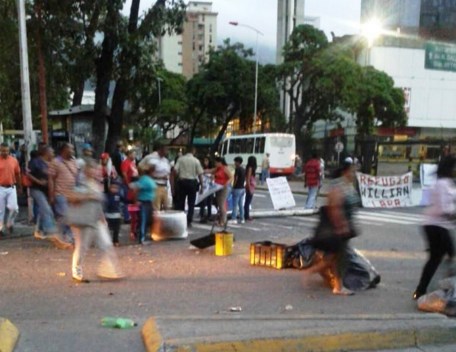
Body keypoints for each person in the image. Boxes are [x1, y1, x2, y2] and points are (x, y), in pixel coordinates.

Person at [307, 161, 360, 296]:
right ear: (345, 171)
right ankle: (335, 284)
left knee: (335, 257)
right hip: (339, 228)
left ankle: (334, 282)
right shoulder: (338, 186)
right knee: (337, 257)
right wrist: (341, 226)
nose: (354, 174)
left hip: (344, 227)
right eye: (352, 171)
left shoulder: (346, 185)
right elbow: (335, 208)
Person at [67, 160, 123, 283]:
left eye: (97, 169)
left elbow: (98, 202)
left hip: (95, 218)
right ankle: (77, 271)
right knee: (82, 247)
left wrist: (102, 217)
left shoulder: (96, 184)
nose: (96, 172)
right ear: (87, 170)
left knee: (106, 243)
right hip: (83, 219)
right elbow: (71, 197)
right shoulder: (79, 182)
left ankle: (109, 269)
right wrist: (88, 196)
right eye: (93, 169)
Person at [413, 156, 456, 300]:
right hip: (436, 225)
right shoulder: (443, 184)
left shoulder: (447, 183)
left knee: (438, 257)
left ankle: (424, 289)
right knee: (442, 256)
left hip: (438, 224)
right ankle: (427, 289)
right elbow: (444, 208)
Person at [48, 143, 78, 245]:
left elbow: (77, 176)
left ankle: (63, 235)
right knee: (64, 215)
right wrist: (51, 195)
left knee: (71, 216)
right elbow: (51, 179)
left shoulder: (74, 160)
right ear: (64, 150)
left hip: (72, 194)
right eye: (71, 149)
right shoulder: (55, 162)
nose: (73, 151)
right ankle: (64, 235)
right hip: (60, 193)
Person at [27, 146, 60, 241]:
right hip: (36, 189)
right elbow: (28, 174)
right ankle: (50, 231)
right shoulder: (35, 162)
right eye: (52, 152)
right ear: (46, 152)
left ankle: (38, 230)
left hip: (47, 190)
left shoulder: (52, 162)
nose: (53, 154)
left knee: (43, 210)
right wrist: (38, 181)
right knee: (46, 208)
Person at [173, 146, 204, 228]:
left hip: (182, 182)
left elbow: (175, 170)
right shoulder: (196, 161)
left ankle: (181, 219)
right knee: (191, 203)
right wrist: (202, 186)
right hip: (192, 183)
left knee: (181, 202)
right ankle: (189, 221)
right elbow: (200, 174)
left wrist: (177, 178)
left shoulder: (180, 159)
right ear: (193, 151)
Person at [138, 143, 171, 211]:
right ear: (160, 150)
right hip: (155, 185)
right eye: (166, 150)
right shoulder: (151, 158)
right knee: (156, 207)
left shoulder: (165, 160)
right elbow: (140, 167)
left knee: (166, 207)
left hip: (165, 186)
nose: (167, 152)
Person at [129, 165, 157, 244]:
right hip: (143, 202)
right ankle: (142, 238)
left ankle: (144, 236)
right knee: (143, 220)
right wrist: (136, 201)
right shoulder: (144, 179)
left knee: (148, 220)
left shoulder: (149, 179)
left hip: (148, 202)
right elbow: (136, 189)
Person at [0, 142, 22, 236]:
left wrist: (20, 187)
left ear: (9, 151)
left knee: (14, 208)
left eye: (7, 151)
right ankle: (0, 229)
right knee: (0, 211)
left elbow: (18, 174)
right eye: (3, 151)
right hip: (0, 188)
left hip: (12, 187)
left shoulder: (14, 160)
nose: (5, 152)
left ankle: (9, 223)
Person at [121, 149, 139, 237]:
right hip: (128, 184)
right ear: (129, 154)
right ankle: (127, 216)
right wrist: (128, 183)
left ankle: (131, 219)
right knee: (127, 201)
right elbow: (124, 173)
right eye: (133, 154)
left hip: (133, 184)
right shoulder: (126, 162)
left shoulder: (133, 163)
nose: (135, 156)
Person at [211, 157, 232, 226]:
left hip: (223, 188)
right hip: (217, 188)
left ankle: (223, 221)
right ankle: (221, 220)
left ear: (220, 162)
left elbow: (231, 177)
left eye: (216, 162)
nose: (215, 164)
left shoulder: (225, 168)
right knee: (219, 204)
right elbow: (210, 171)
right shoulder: (217, 169)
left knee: (222, 204)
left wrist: (226, 183)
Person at [105, 182, 122, 247]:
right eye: (113, 188)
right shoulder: (107, 196)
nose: (114, 189)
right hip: (109, 214)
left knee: (116, 229)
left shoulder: (118, 195)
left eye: (116, 188)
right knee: (108, 229)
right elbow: (106, 204)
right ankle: (108, 242)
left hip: (117, 214)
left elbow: (123, 200)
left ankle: (116, 241)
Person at [230, 156, 246, 224]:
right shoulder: (243, 169)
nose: (234, 163)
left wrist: (233, 186)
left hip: (237, 188)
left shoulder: (237, 169)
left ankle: (234, 218)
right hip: (242, 188)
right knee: (240, 204)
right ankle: (242, 218)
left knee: (235, 204)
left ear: (238, 162)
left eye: (235, 162)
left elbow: (235, 178)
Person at [199, 156, 214, 223]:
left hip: (210, 187)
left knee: (209, 202)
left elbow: (213, 179)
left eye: (206, 161)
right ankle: (202, 215)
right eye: (204, 161)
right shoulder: (201, 169)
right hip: (204, 187)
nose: (205, 162)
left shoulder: (212, 170)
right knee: (203, 202)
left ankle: (209, 215)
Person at [244, 156, 257, 221]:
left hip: (251, 186)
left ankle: (246, 215)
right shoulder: (250, 168)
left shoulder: (249, 168)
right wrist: (248, 187)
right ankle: (246, 215)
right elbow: (248, 178)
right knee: (247, 202)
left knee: (247, 201)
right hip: (250, 186)